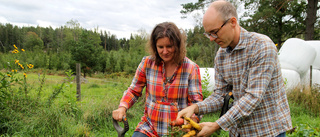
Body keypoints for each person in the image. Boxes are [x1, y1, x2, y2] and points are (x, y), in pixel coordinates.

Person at [177, 1, 292, 137]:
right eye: (208, 34)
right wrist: (195, 108)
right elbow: (220, 95)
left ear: (232, 22)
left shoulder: (262, 46)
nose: (211, 39)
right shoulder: (221, 55)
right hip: (239, 131)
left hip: (267, 130)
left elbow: (253, 97)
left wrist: (216, 125)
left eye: (214, 32)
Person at [112, 22, 203, 137]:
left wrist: (192, 120)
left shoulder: (190, 68)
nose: (165, 51)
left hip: (178, 131)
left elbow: (196, 103)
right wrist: (122, 107)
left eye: (169, 46)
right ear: (155, 46)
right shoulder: (147, 63)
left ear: (178, 45)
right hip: (149, 128)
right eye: (160, 47)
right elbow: (134, 91)